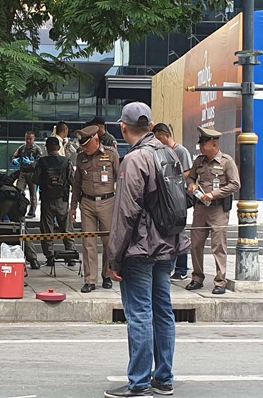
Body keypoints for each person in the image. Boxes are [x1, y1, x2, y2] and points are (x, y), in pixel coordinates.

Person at [105, 102, 177, 398]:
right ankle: (163, 378)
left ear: (123, 127)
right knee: (163, 311)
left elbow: (125, 213)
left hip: (140, 248)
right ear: (150, 126)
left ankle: (139, 383)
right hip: (167, 244)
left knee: (139, 314)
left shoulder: (134, 160)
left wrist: (113, 257)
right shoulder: (168, 153)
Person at [185, 127, 240, 295]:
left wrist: (214, 194)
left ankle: (220, 281)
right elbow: (191, 177)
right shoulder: (199, 161)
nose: (201, 146)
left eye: (204, 143)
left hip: (218, 210)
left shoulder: (226, 161)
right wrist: (191, 185)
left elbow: (235, 184)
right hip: (200, 209)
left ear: (214, 144)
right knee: (195, 244)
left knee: (218, 246)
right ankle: (197, 278)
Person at [70, 125, 119, 293]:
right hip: (87, 203)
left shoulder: (111, 154)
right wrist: (73, 207)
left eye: (86, 145)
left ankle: (107, 274)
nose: (84, 149)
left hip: (108, 202)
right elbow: (76, 184)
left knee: (108, 242)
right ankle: (90, 280)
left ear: (96, 140)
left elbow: (121, 179)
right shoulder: (80, 157)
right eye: (82, 146)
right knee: (88, 243)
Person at [153, 123, 192, 281]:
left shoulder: (180, 151)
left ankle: (182, 268)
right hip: (166, 198)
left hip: (177, 197)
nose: (158, 142)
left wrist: (172, 179)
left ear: (166, 136)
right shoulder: (160, 152)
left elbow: (188, 172)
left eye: (159, 138)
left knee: (179, 232)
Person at [31, 137, 76, 266]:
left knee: (46, 230)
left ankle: (50, 257)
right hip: (62, 200)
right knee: (67, 228)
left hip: (47, 201)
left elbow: (35, 179)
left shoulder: (42, 162)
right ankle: (70, 256)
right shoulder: (66, 162)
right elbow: (72, 181)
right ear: (58, 147)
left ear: (47, 147)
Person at [13, 131, 42, 218]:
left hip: (32, 173)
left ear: (34, 139)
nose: (28, 141)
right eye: (27, 139)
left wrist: (31, 162)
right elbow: (14, 156)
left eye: (30, 139)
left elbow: (40, 161)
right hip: (23, 172)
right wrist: (15, 161)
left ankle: (32, 212)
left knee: (33, 193)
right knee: (19, 190)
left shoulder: (37, 149)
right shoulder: (21, 148)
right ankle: (19, 209)